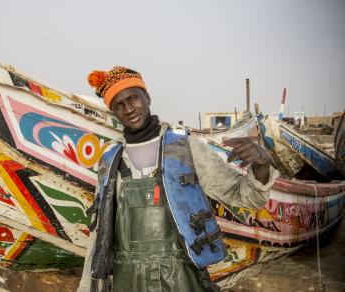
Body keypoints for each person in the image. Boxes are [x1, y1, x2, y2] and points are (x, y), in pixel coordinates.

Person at [78, 66, 279, 292]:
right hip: (128, 279)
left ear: (148, 97)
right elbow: (99, 232)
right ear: (114, 113)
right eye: (119, 105)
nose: (128, 108)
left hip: (183, 275)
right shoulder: (110, 158)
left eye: (133, 98)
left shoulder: (185, 146)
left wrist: (262, 165)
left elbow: (247, 196)